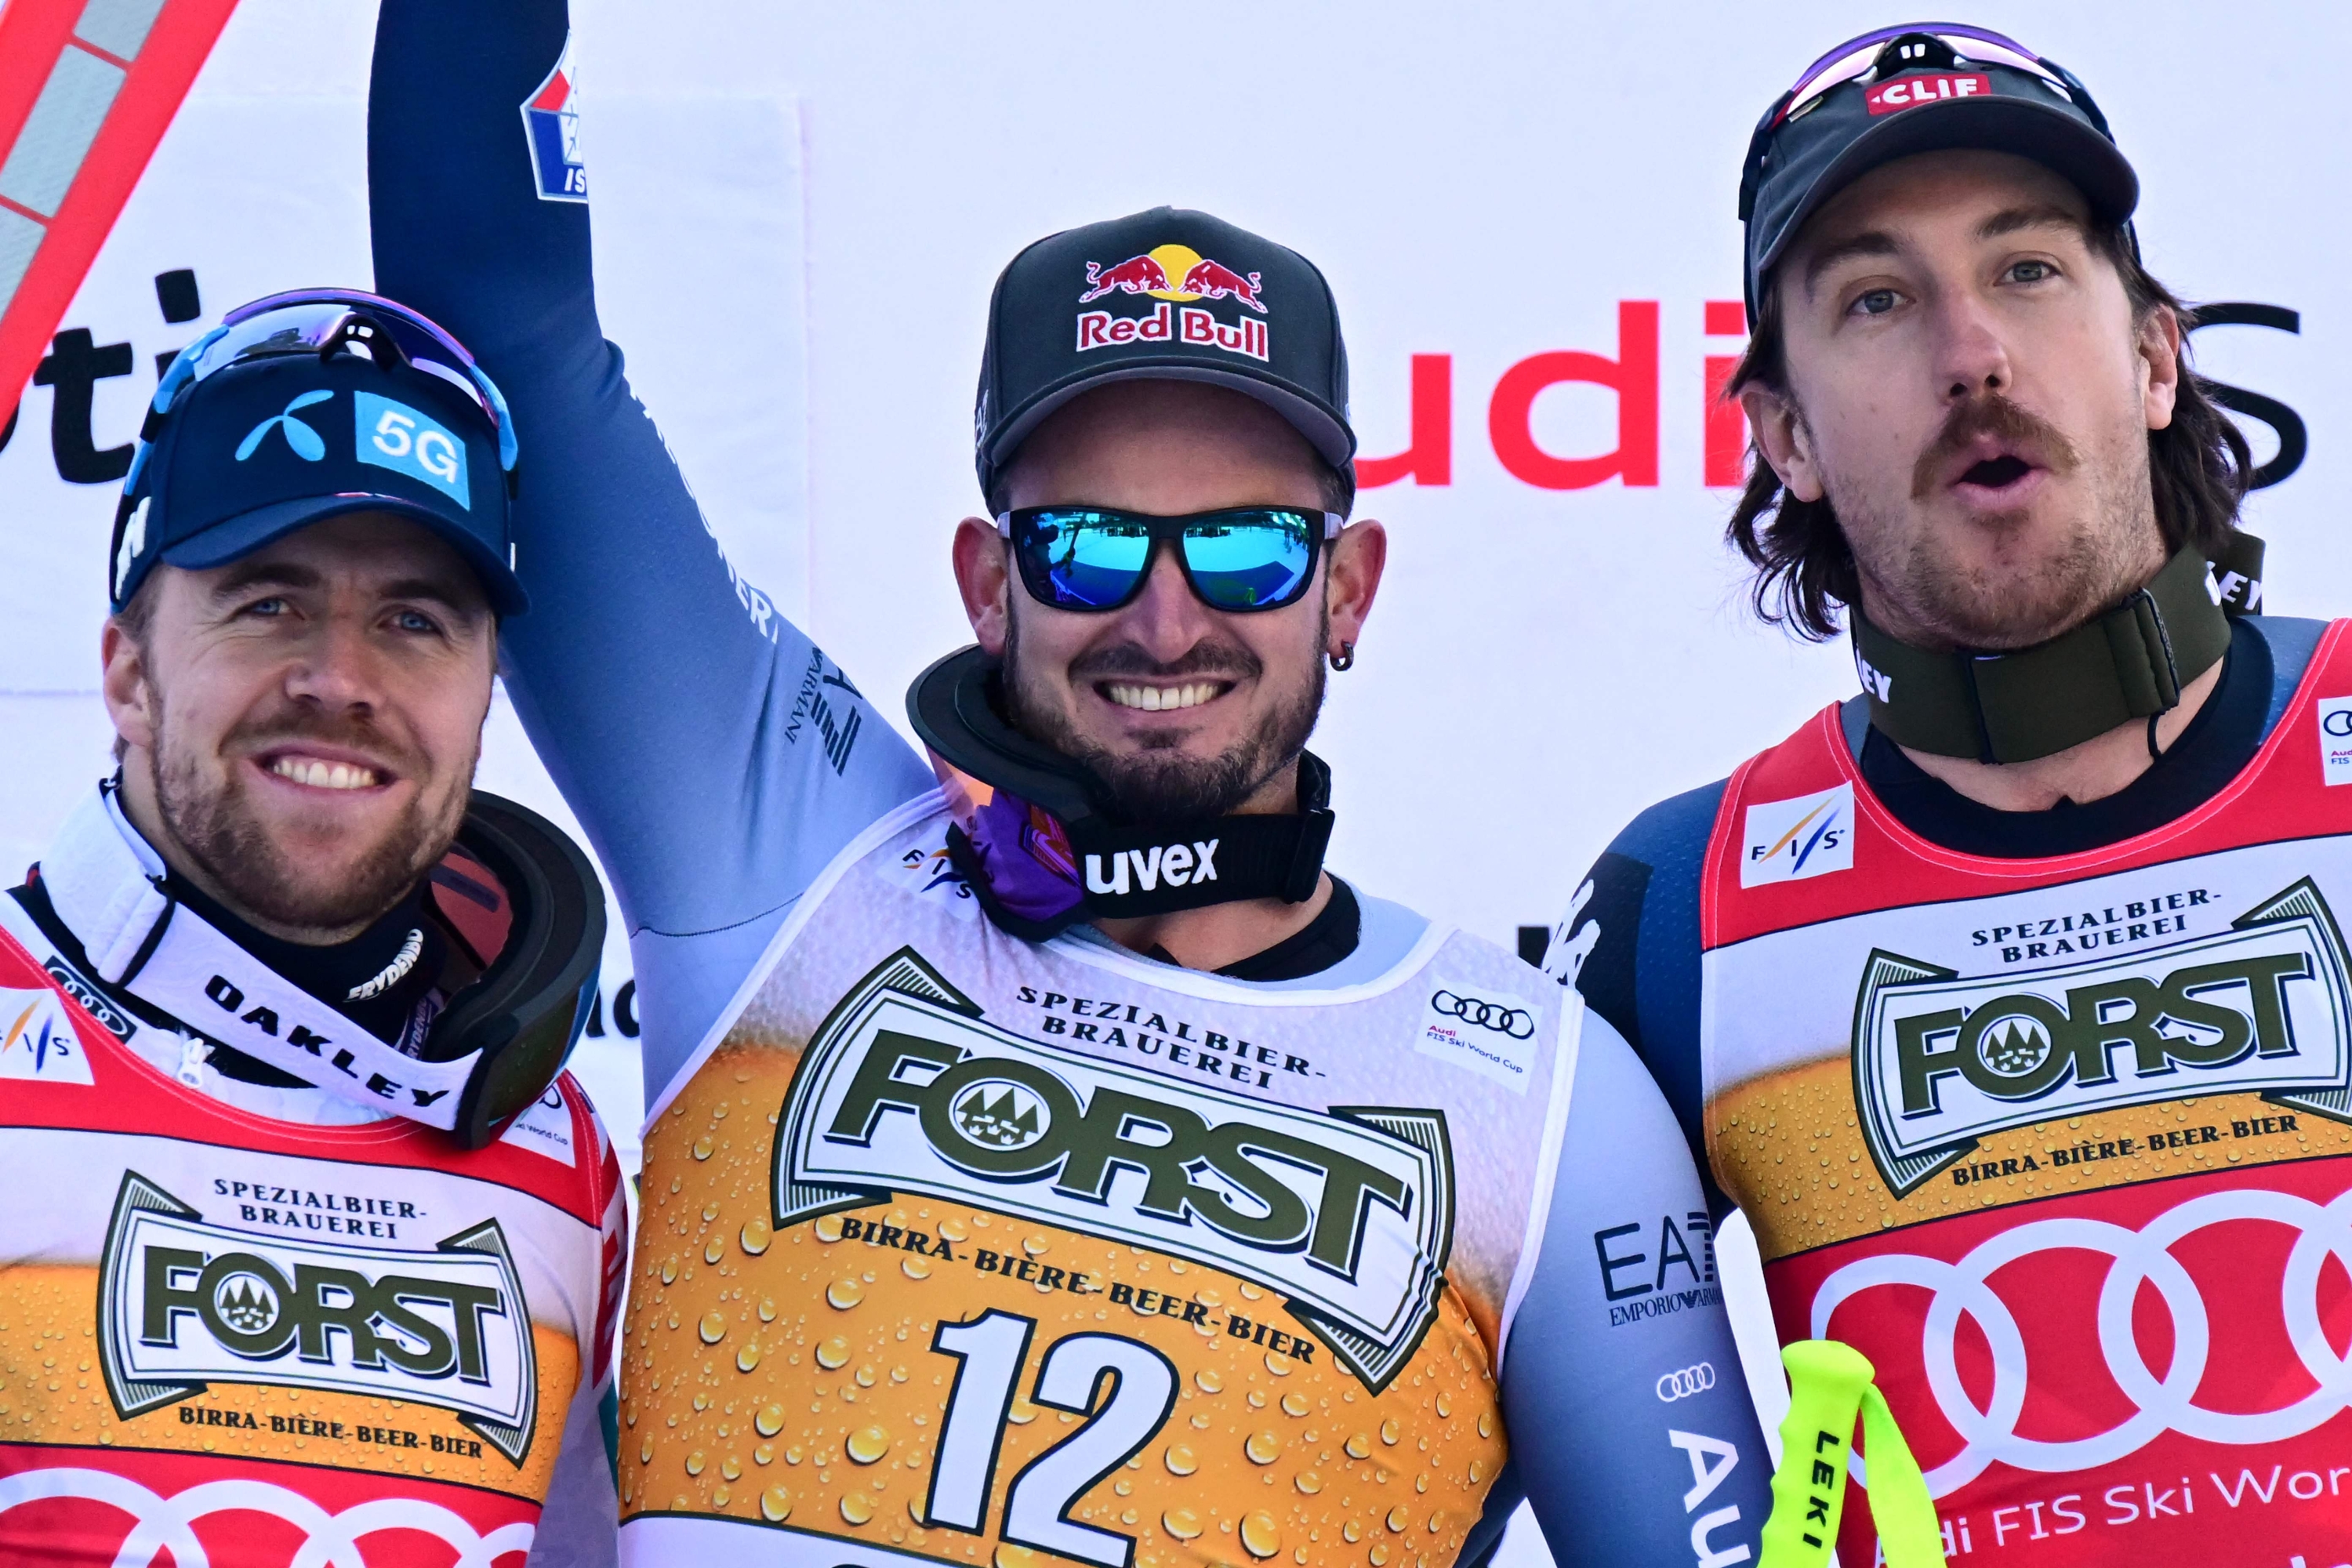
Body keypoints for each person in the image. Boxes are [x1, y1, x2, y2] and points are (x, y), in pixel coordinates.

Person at [366, 2, 1775, 1563]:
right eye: (1089, 545)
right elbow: (497, 311)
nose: (1165, 617)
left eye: (1246, 546)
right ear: (988, 583)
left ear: (1351, 587)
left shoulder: (1542, 1094)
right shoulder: (794, 858)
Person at [1552, 21, 2345, 1567]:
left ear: (2156, 353)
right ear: (1781, 432)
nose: (1970, 351)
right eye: (1875, 299)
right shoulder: (1679, 904)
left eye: (2030, 270)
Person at [0, 290, 626, 1566]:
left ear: (483, 697)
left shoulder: (559, 1159)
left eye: (414, 621)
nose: (342, 679)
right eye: (268, 601)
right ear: (128, 669)